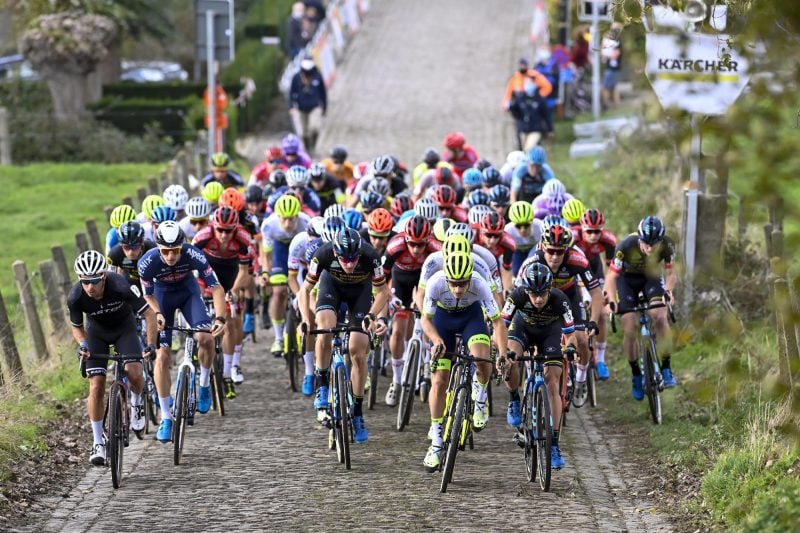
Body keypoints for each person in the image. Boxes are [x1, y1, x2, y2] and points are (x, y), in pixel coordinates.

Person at [137, 221, 227, 443]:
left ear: (182, 246)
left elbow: (216, 287)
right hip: (162, 297)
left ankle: (204, 385)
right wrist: (157, 313)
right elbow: (147, 296)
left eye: (174, 251)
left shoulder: (194, 254)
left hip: (188, 293)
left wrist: (220, 317)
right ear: (158, 248)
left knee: (205, 338)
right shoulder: (147, 262)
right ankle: (166, 417)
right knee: (163, 355)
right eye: (165, 251)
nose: (169, 256)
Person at [299, 228, 390, 443]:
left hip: (360, 292)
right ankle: (322, 384)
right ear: (335, 254)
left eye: (353, 259)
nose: (349, 265)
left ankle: (357, 413)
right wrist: (305, 319)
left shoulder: (371, 257)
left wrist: (372, 315)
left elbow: (383, 292)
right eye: (344, 260)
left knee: (358, 351)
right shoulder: (321, 254)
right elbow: (305, 290)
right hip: (332, 289)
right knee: (325, 328)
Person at [421, 252, 508, 472]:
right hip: (443, 322)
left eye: (462, 284)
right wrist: (436, 340)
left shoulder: (479, 284)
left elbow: (498, 323)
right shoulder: (435, 283)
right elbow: (425, 319)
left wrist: (503, 354)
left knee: (481, 358)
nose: (458, 289)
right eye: (454, 284)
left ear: (470, 277)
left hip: (471, 318)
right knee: (439, 382)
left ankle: (480, 397)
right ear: (446, 278)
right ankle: (437, 442)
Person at [68, 250, 157, 465]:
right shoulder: (75, 297)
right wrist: (83, 344)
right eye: (85, 281)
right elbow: (77, 328)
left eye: (95, 280)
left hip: (124, 329)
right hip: (96, 334)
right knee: (96, 386)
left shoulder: (121, 286)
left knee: (134, 372)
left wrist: (151, 344)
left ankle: (136, 402)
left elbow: (149, 314)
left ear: (104, 276)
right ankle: (98, 441)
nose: (90, 286)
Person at [498, 262, 577, 470]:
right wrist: (504, 353)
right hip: (522, 328)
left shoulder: (561, 300)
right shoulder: (516, 296)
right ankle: (514, 397)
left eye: (543, 293)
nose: (539, 299)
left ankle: (553, 444)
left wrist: (570, 349)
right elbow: (502, 327)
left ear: (550, 289)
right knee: (511, 359)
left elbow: (570, 335)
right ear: (526, 290)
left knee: (552, 381)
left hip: (550, 333)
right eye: (534, 294)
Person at [604, 216, 678, 400]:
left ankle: (666, 367)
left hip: (651, 279)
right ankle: (636, 374)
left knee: (660, 316)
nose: (650, 248)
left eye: (654, 244)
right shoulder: (625, 246)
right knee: (630, 326)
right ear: (639, 238)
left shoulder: (668, 245)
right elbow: (611, 278)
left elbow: (671, 273)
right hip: (626, 281)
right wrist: (611, 300)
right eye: (646, 243)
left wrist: (668, 291)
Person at [193, 207, 255, 392]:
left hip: (232, 274)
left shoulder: (243, 239)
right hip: (208, 271)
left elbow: (245, 273)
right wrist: (199, 288)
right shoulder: (202, 236)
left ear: (235, 228)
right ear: (214, 226)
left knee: (231, 322)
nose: (224, 234)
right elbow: (189, 266)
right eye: (220, 229)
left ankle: (228, 371)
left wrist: (235, 290)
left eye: (229, 231)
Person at [381, 216, 441, 406]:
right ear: (406, 239)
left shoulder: (435, 248)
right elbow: (381, 278)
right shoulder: (395, 246)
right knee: (398, 331)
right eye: (412, 244)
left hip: (424, 282)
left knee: (426, 324)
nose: (416, 249)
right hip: (400, 281)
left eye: (420, 245)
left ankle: (424, 364)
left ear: (427, 240)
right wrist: (389, 295)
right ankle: (396, 381)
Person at [574, 208, 617, 379]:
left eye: (597, 232)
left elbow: (610, 270)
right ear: (582, 228)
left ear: (602, 230)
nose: (593, 236)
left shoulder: (609, 240)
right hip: (576, 270)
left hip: (595, 270)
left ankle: (600, 359)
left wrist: (608, 292)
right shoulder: (573, 237)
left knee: (600, 315)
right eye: (589, 232)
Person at [289, 58, 327, 153]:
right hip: (301, 108)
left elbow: (323, 93)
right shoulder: (296, 78)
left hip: (315, 107)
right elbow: (291, 93)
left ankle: (313, 145)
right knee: (303, 133)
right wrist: (291, 107)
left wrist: (324, 106)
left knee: (314, 128)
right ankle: (307, 148)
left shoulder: (317, 77)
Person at [601, 22, 623, 109]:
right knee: (613, 87)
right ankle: (616, 105)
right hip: (610, 67)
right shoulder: (610, 41)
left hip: (613, 68)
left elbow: (616, 54)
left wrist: (606, 54)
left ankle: (606, 105)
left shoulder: (617, 42)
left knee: (605, 87)